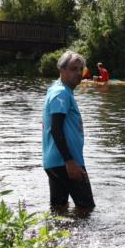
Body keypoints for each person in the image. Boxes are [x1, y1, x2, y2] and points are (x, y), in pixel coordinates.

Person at [42, 51, 95, 214]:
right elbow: (56, 128)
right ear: (62, 70)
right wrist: (70, 162)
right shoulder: (61, 93)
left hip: (54, 162)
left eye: (80, 69)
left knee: (59, 210)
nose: (78, 73)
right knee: (86, 209)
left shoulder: (57, 89)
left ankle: (58, 232)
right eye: (73, 69)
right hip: (66, 162)